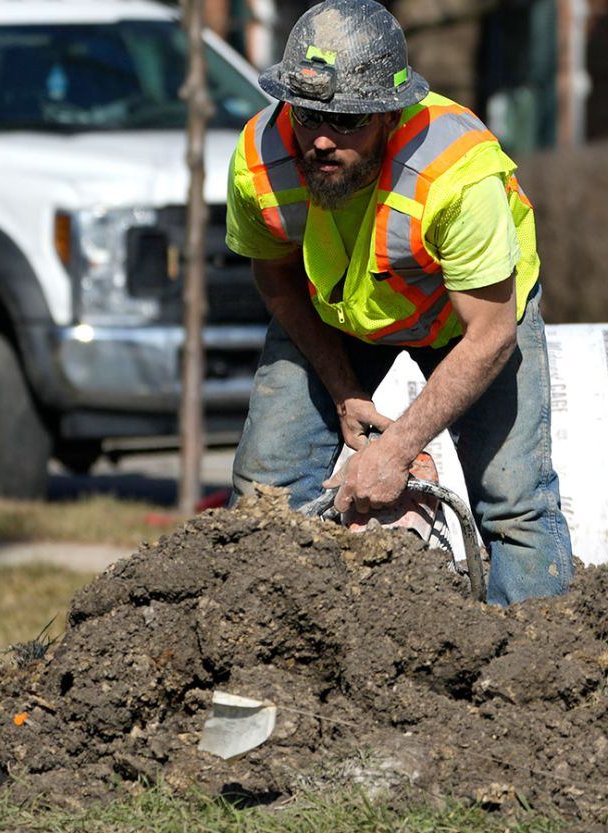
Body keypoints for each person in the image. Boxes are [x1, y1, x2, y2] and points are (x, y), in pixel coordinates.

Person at [225, 0, 573, 605]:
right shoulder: (259, 158)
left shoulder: (458, 174)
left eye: (349, 122)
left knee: (516, 507)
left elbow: (490, 337)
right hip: (334, 315)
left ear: (390, 113)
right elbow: (277, 278)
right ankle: (257, 660)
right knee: (264, 493)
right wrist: (342, 390)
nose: (323, 140)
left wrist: (397, 447)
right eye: (307, 115)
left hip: (466, 329)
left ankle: (534, 678)